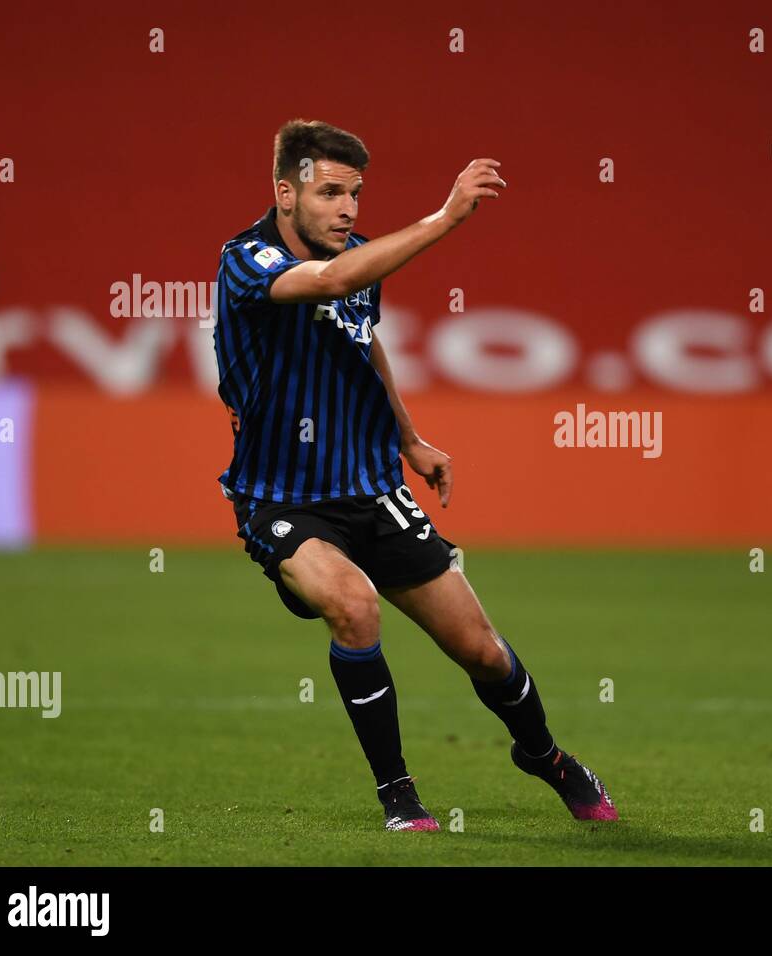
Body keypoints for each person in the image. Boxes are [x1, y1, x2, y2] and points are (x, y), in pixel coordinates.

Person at [213, 120, 617, 831]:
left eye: (356, 194)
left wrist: (409, 438)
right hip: (282, 499)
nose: (347, 208)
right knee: (354, 605)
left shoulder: (360, 257)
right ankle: (399, 795)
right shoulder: (246, 260)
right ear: (286, 191)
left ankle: (546, 757)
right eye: (330, 192)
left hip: (372, 489)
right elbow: (332, 282)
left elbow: (362, 342)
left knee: (483, 652)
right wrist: (446, 216)